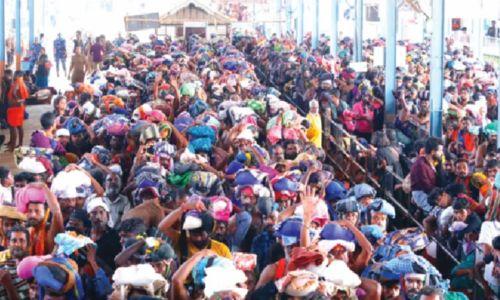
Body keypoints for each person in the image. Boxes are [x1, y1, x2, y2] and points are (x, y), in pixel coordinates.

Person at [86, 197, 121, 273]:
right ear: (89, 216)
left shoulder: (114, 236)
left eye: (101, 212)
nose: (98, 217)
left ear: (107, 215)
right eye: (94, 213)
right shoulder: (85, 234)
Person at [410, 137, 444, 214]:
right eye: (440, 151)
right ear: (432, 152)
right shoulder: (420, 165)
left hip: (431, 193)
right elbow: (427, 187)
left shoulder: (434, 162)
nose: (442, 153)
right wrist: (441, 198)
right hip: (423, 195)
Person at [0, 226, 31, 300]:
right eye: (14, 241)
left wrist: (8, 283)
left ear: (28, 244)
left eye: (22, 240)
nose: (17, 244)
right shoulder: (2, 263)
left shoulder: (32, 269)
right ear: (8, 243)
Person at [6, 71, 29, 151]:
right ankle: (20, 144)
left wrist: (16, 100)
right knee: (19, 126)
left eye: (14, 74)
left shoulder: (17, 82)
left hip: (15, 108)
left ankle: (12, 146)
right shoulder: (22, 82)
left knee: (13, 127)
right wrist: (20, 100)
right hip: (20, 108)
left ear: (17, 75)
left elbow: (15, 92)